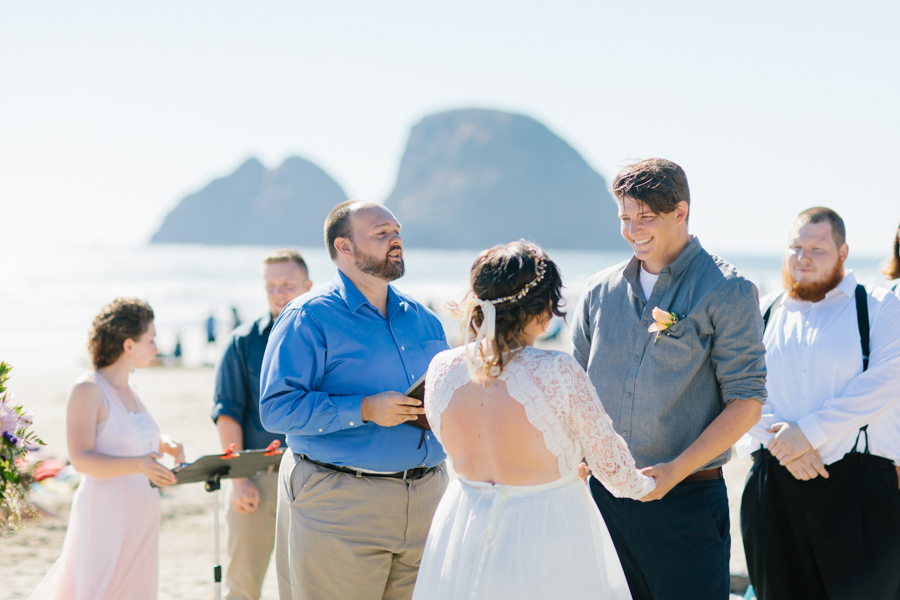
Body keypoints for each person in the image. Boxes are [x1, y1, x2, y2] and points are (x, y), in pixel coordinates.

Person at [413, 241, 655, 600]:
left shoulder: (442, 368)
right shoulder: (556, 371)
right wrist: (651, 485)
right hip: (544, 528)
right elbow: (616, 472)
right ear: (542, 307)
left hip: (463, 522)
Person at [571, 158, 768, 599]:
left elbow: (747, 400)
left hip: (687, 505)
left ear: (680, 212)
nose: (632, 229)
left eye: (646, 216)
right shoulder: (599, 291)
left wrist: (675, 472)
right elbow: (575, 389)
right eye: (625, 217)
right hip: (600, 502)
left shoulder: (728, 289)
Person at [260, 200, 449, 600]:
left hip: (430, 503)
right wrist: (363, 409)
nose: (395, 240)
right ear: (344, 247)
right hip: (341, 504)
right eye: (381, 234)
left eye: (396, 231)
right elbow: (276, 409)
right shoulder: (306, 318)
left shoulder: (425, 318)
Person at [736, 207, 900, 600]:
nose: (803, 258)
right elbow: (736, 387)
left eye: (817, 248)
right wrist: (784, 442)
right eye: (796, 247)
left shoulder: (879, 307)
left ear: (843, 253)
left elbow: (885, 382)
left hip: (858, 489)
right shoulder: (765, 311)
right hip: (771, 487)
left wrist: (808, 434)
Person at [30, 298, 185, 600]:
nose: (156, 348)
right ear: (129, 345)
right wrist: (139, 465)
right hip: (105, 516)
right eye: (151, 340)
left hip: (142, 514)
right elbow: (81, 459)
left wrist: (164, 442)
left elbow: (126, 436)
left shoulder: (130, 389)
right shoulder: (88, 388)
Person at [212, 249, 312, 600]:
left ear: (308, 286)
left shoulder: (325, 340)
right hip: (256, 480)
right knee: (242, 587)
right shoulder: (241, 343)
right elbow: (228, 413)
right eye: (270, 286)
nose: (278, 293)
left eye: (287, 284)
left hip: (313, 480)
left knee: (310, 587)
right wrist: (238, 479)